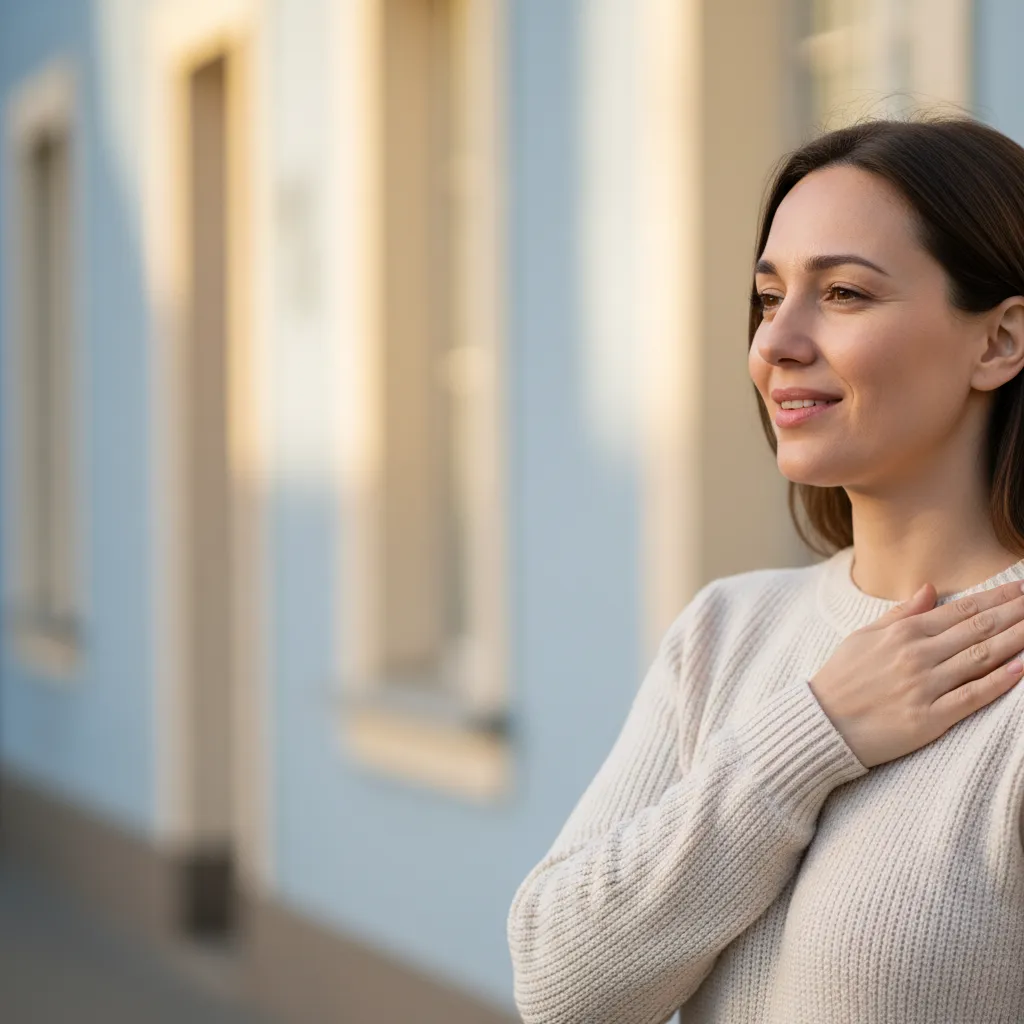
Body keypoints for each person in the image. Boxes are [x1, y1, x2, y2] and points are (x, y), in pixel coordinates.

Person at [506, 115, 1024, 1024]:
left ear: (1000, 343)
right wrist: (810, 736)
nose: (775, 342)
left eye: (846, 295)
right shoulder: (726, 631)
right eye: (768, 295)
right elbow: (559, 987)